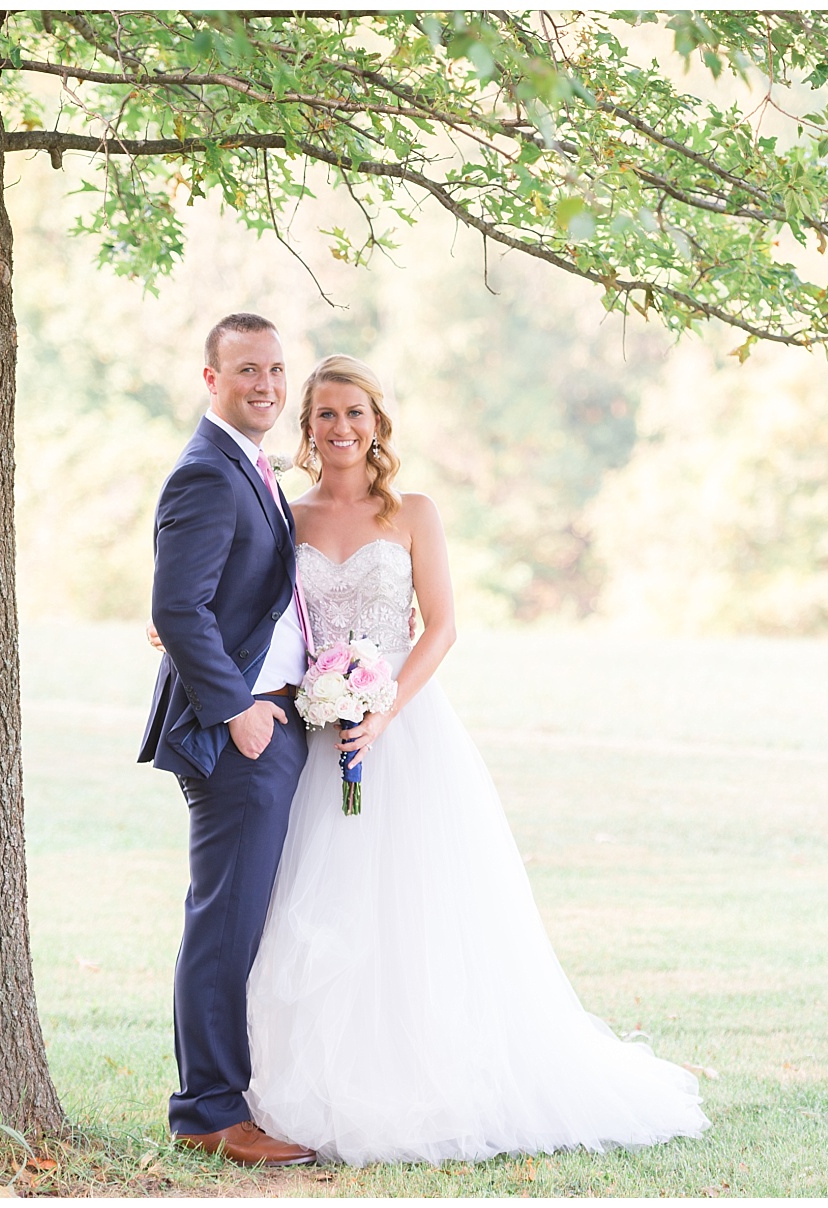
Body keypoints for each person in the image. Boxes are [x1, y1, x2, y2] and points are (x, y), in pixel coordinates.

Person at [240, 354, 710, 1165]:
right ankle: (323, 1080)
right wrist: (180, 630)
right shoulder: (290, 515)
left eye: (355, 413)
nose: (341, 427)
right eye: (325, 415)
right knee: (322, 905)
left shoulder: (413, 512)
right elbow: (257, 606)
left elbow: (443, 626)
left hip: (403, 730)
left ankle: (428, 1077)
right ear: (307, 428)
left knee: (416, 903)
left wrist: (383, 710)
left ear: (377, 424)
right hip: (319, 735)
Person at [137, 313, 317, 1167]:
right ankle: (208, 1112)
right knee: (224, 922)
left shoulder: (249, 466)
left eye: (276, 369)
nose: (267, 385)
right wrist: (237, 710)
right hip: (239, 734)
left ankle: (231, 1096)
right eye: (247, 369)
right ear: (211, 379)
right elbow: (176, 608)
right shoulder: (207, 471)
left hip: (279, 721)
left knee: (242, 918)